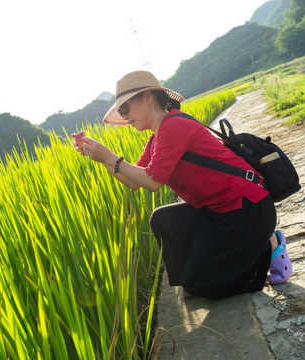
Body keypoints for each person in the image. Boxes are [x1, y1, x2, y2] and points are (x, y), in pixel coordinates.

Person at [75, 70, 292, 299]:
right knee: (164, 222)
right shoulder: (156, 137)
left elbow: (152, 181)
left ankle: (268, 246)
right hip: (218, 211)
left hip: (247, 208)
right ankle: (205, 271)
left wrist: (109, 157)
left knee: (203, 286)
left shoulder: (173, 126)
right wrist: (100, 158)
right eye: (121, 111)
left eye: (126, 108)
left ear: (147, 97)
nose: (125, 116)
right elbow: (132, 181)